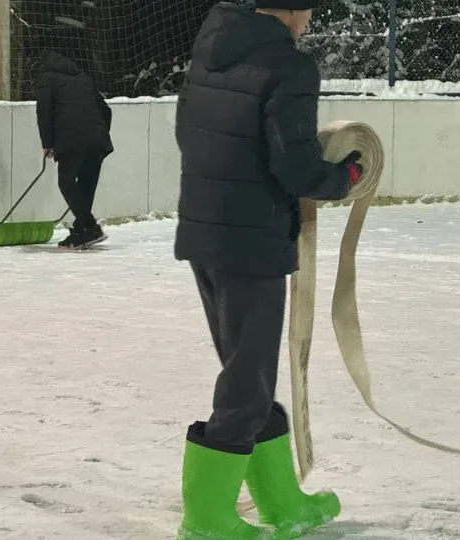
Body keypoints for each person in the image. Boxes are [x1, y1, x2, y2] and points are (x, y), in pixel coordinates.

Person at [172, 1, 364, 538]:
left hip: (205, 233)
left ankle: (281, 502)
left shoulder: (209, 52)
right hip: (250, 242)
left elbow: (189, 136)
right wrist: (346, 175)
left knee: (247, 369)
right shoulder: (289, 65)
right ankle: (207, 520)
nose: (311, 19)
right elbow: (295, 166)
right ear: (292, 10)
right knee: (247, 382)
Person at [35, 50, 114, 249]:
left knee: (66, 182)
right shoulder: (83, 78)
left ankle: (89, 226)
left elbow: (44, 113)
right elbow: (106, 110)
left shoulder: (46, 79)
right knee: (86, 184)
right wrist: (98, 133)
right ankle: (82, 230)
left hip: (72, 139)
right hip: (98, 139)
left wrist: (47, 143)